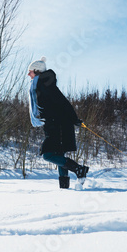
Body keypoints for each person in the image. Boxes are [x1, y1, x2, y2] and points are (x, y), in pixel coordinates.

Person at [27, 56, 89, 188]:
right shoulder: (40, 84)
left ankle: (79, 169)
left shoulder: (44, 83)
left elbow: (62, 101)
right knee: (59, 153)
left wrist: (74, 119)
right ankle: (64, 188)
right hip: (54, 123)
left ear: (36, 71)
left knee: (48, 154)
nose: (28, 74)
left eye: (30, 71)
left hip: (59, 124)